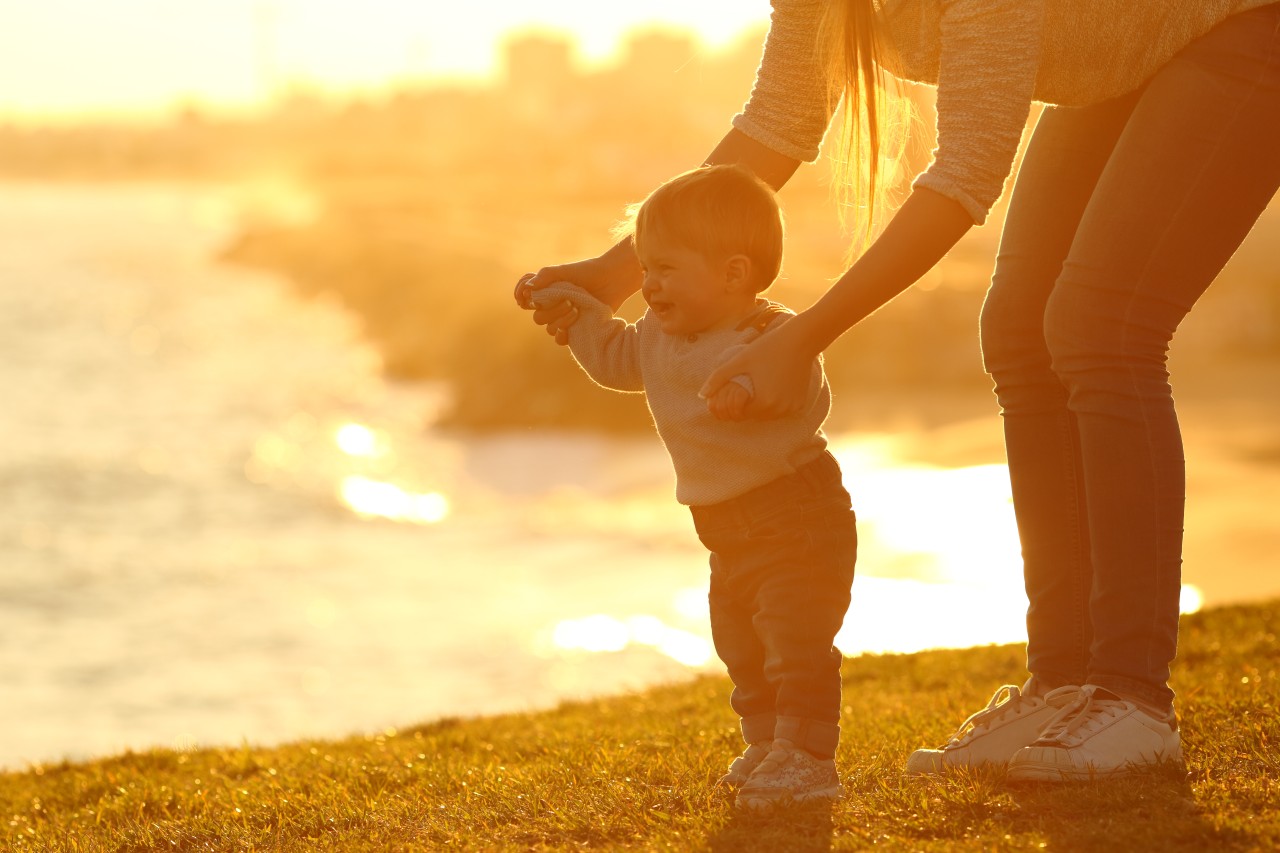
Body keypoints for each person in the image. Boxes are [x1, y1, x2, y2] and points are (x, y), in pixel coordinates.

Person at [519, 1, 1280, 781]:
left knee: (1100, 328)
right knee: (1021, 334)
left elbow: (965, 172)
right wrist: (614, 275)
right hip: (1127, 61)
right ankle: (1062, 681)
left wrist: (804, 334)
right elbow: (779, 122)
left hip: (1239, 28)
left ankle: (1131, 696)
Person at [521, 164, 857, 808]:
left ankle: (810, 758)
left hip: (796, 516)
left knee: (795, 641)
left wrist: (751, 390)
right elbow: (616, 360)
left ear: (733, 274)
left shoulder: (770, 333)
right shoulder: (657, 335)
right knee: (739, 643)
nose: (647, 286)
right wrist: (581, 313)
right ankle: (766, 743)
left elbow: (808, 388)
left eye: (665, 270)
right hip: (726, 531)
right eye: (646, 270)